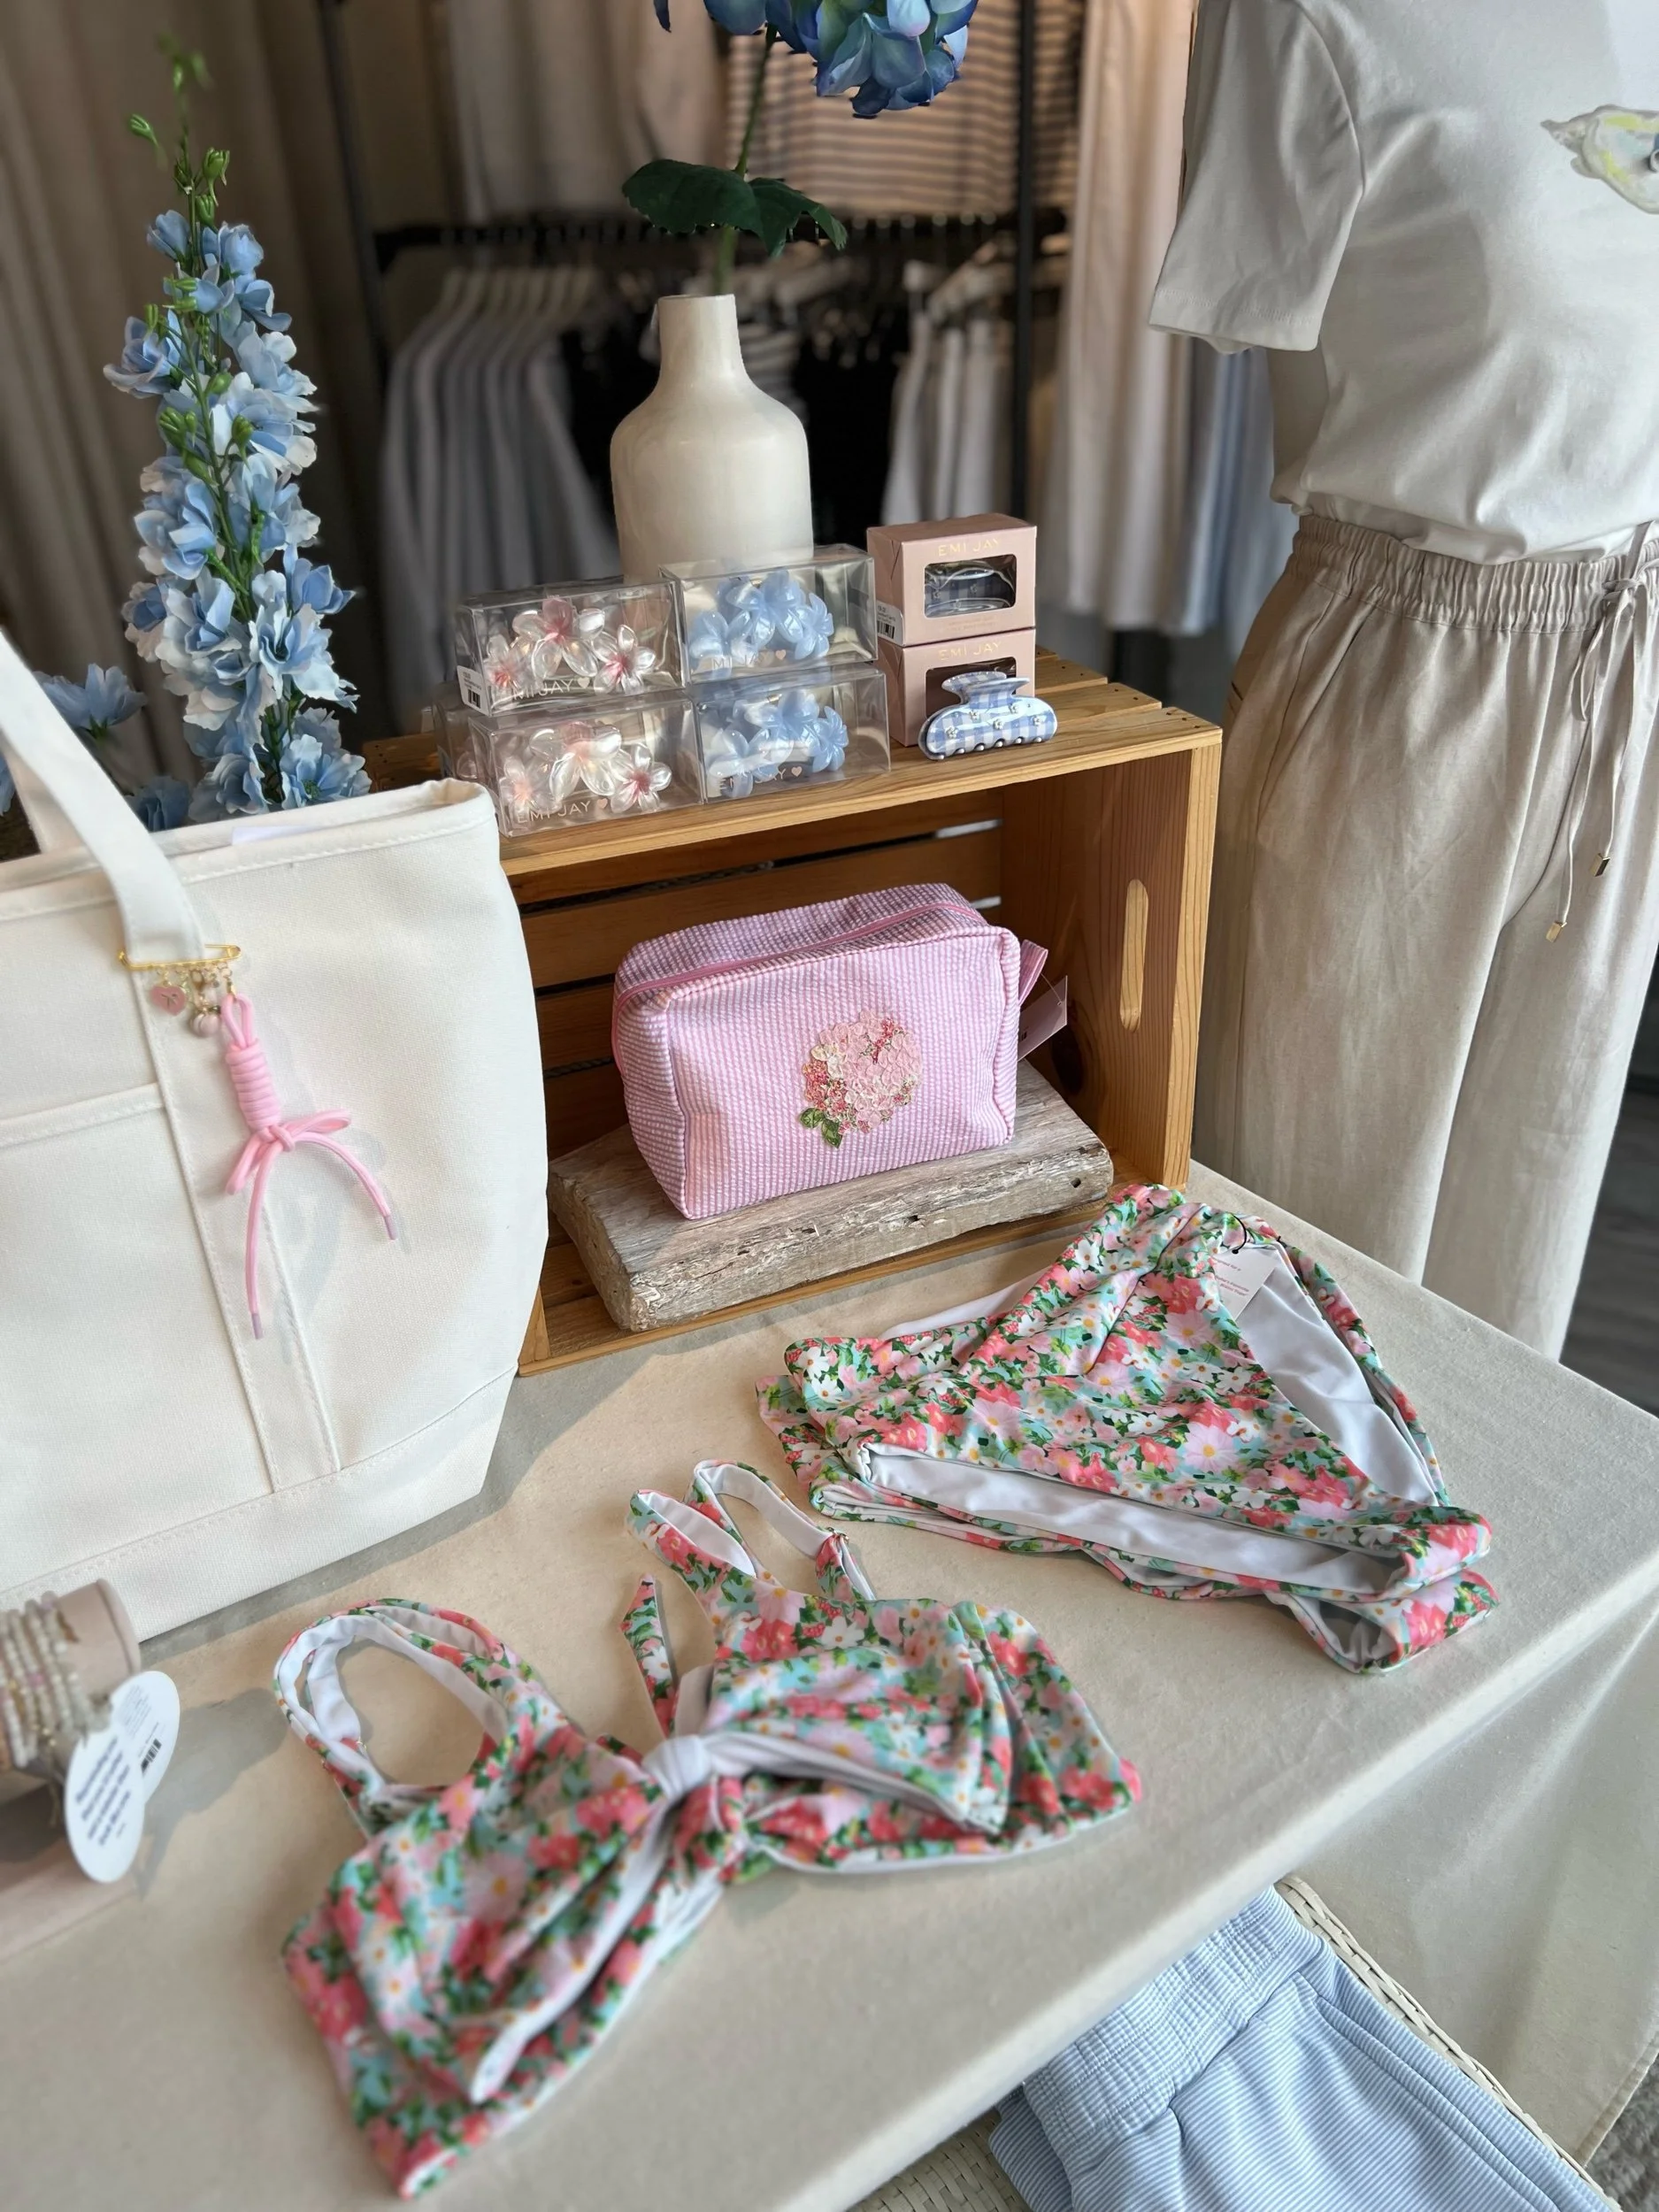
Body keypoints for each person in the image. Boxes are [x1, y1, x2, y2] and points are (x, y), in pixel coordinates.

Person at [1149, 0, 1659, 1356]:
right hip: (1408, 660)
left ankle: (1474, 1489)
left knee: (1522, 1222)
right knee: (1314, 1261)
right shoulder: (1309, 16)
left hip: (1630, 668)